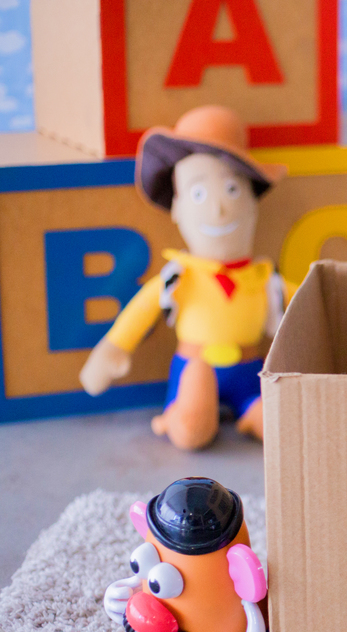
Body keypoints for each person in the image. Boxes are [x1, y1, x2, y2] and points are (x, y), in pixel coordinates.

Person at [78, 106, 292, 450]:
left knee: (281, 425)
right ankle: (186, 416)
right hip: (193, 367)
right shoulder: (177, 279)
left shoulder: (266, 279)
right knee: (194, 421)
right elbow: (139, 314)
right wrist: (111, 351)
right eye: (198, 194)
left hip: (251, 374)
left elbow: (309, 308)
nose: (219, 208)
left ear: (253, 201)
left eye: (233, 191)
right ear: (177, 206)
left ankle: (254, 416)